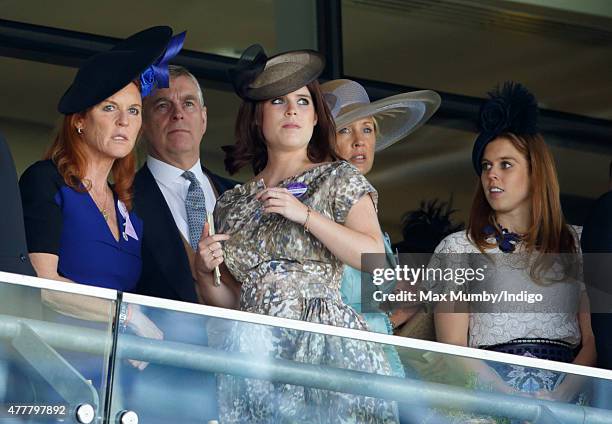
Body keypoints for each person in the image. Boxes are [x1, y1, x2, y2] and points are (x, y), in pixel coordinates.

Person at [198, 44, 398, 422]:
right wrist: (203, 273)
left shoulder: (337, 176)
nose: (292, 110)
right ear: (257, 117)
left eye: (303, 101)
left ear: (316, 118)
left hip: (326, 343)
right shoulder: (233, 202)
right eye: (278, 101)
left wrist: (306, 215)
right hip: (254, 349)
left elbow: (376, 258)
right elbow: (230, 302)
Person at [18, 26, 183, 377]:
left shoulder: (129, 207)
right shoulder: (44, 180)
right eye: (110, 108)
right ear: (79, 120)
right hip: (52, 372)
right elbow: (42, 284)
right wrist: (128, 315)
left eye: (134, 111)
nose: (124, 121)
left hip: (116, 378)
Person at [431, 82, 595, 406]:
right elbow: (452, 348)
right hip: (487, 402)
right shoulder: (457, 249)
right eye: (486, 166)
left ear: (536, 174)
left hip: (567, 404)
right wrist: (505, 396)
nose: (492, 175)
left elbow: (595, 339)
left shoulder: (579, 244)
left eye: (506, 164)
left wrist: (560, 396)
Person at [320, 78, 440, 373]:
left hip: (378, 356)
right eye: (344, 129)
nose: (359, 141)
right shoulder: (322, 204)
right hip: (342, 360)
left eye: (367, 129)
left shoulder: (366, 203)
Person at [133, 65, 236, 304]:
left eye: (188, 103)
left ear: (203, 118)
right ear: (143, 123)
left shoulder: (240, 195)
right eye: (162, 105)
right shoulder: (122, 199)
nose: (177, 114)